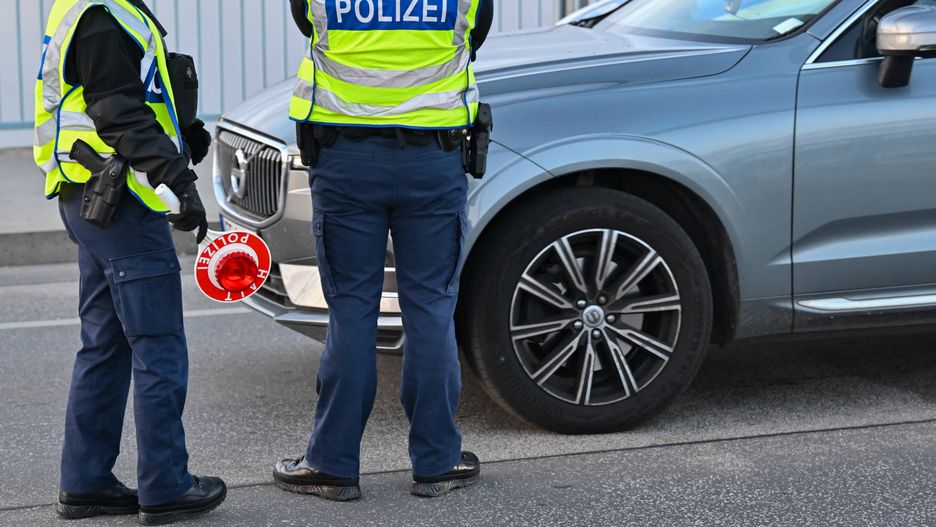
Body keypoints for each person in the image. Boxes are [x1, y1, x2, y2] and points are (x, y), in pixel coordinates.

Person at [274, 0, 494, 501]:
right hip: (433, 160)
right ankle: (437, 462)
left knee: (352, 310)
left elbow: (307, 24)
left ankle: (331, 465)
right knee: (431, 308)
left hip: (346, 160)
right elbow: (474, 36)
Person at [34, 0, 224, 523]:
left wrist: (181, 134)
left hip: (94, 198)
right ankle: (166, 486)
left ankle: (86, 481)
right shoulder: (103, 15)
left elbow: (134, 95)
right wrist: (176, 177)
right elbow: (116, 110)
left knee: (106, 342)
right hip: (122, 203)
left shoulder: (103, 9)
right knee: (158, 345)